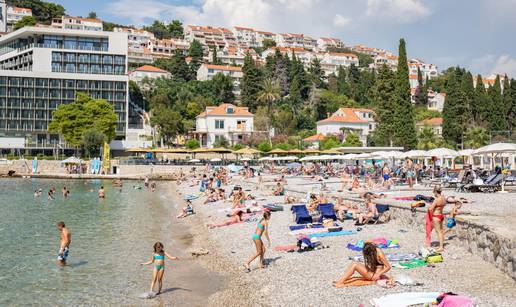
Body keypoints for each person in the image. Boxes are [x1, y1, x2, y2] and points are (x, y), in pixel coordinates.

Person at [426, 187, 446, 252]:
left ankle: (441, 247)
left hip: (436, 216)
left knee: (438, 232)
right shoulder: (443, 198)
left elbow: (431, 208)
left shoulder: (437, 199)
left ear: (435, 192)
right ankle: (441, 245)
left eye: (433, 192)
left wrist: (429, 206)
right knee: (441, 231)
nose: (433, 194)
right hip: (441, 215)